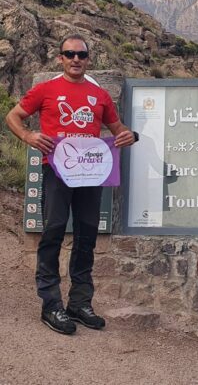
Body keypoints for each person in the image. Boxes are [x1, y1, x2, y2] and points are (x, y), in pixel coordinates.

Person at [6, 33, 138, 335]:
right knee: (52, 233)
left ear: (88, 58)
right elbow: (13, 116)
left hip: (90, 176)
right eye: (69, 54)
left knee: (86, 235)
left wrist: (128, 135)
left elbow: (118, 129)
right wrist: (28, 136)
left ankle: (79, 302)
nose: (75, 59)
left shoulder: (100, 95)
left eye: (81, 55)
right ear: (60, 58)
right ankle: (51, 304)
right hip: (57, 172)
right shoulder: (46, 90)